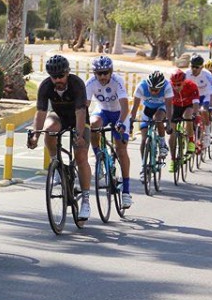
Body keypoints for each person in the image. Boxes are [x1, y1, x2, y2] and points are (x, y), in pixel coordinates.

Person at [27, 54, 92, 220]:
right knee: (49, 129)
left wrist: (79, 135)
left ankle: (85, 200)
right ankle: (55, 163)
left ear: (67, 72)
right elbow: (41, 113)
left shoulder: (77, 84)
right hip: (58, 116)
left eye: (61, 76)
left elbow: (80, 112)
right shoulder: (46, 86)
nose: (58, 80)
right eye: (54, 77)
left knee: (81, 155)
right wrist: (35, 135)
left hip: (78, 118)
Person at [85, 55, 133, 209]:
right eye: (99, 73)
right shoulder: (90, 83)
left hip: (120, 113)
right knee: (93, 124)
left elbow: (125, 106)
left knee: (121, 150)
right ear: (94, 74)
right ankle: (99, 155)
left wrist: (121, 123)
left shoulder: (117, 81)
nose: (103, 76)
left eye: (106, 72)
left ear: (111, 72)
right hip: (103, 111)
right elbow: (84, 107)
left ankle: (126, 192)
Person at [129, 70, 174, 174]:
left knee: (158, 118)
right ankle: (144, 166)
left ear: (161, 87)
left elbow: (169, 106)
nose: (153, 92)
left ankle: (163, 144)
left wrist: (168, 123)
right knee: (144, 140)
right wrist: (131, 122)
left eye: (156, 90)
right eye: (151, 89)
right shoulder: (141, 86)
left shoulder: (167, 87)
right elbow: (134, 108)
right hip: (148, 109)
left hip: (161, 108)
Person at [168, 68, 200, 173]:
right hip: (175, 107)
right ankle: (172, 160)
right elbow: (166, 103)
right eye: (174, 84)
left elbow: (195, 102)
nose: (176, 87)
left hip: (188, 106)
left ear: (184, 82)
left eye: (179, 84)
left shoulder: (192, 86)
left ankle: (191, 140)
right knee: (171, 133)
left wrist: (195, 114)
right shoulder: (169, 87)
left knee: (188, 116)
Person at [186, 54, 212, 150]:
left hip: (205, 96)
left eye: (197, 67)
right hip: (192, 96)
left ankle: (207, 134)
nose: (194, 69)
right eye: (192, 66)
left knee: (203, 111)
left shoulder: (207, 75)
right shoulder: (186, 74)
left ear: (202, 67)